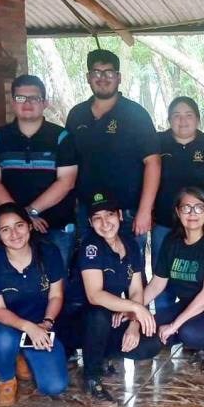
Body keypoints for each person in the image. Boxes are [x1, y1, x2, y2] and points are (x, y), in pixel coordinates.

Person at [66, 49, 160, 254]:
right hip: (87, 212)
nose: (102, 78)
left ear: (118, 77)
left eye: (109, 73)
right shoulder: (76, 115)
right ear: (88, 77)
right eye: (96, 73)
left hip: (128, 211)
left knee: (132, 271)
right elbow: (69, 164)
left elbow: (153, 162)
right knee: (88, 270)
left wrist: (145, 210)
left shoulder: (136, 114)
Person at [0, 75, 78, 268]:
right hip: (11, 231)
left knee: (57, 284)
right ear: (12, 102)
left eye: (34, 98)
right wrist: (21, 220)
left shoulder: (62, 137)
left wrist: (31, 212)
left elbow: (67, 181)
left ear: (45, 103)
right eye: (20, 98)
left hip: (56, 227)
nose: (27, 103)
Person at [143, 187, 204, 374]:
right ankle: (194, 341)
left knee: (188, 332)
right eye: (186, 208)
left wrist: (174, 325)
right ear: (177, 212)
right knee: (148, 331)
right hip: (189, 306)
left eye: (198, 208)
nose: (192, 213)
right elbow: (157, 284)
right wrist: (134, 308)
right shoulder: (172, 242)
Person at [0, 203, 69, 407]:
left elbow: (56, 295)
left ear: (29, 226)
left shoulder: (48, 252)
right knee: (3, 340)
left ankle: (21, 355)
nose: (14, 234)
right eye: (5, 229)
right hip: (4, 325)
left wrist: (46, 324)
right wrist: (29, 327)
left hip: (40, 323)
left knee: (54, 386)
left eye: (19, 225)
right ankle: (6, 379)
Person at [78, 191, 160, 402]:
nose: (105, 223)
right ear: (90, 222)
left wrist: (133, 322)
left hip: (111, 313)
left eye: (110, 215)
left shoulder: (130, 244)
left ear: (120, 215)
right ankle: (92, 377)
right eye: (97, 218)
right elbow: (94, 295)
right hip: (81, 319)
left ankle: (104, 354)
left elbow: (135, 290)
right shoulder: (91, 247)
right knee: (98, 315)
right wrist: (136, 308)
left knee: (149, 344)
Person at [153, 96, 204, 270]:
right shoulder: (158, 143)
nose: (183, 120)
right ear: (169, 119)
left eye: (189, 115)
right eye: (176, 115)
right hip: (166, 219)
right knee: (162, 269)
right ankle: (165, 299)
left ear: (198, 119)